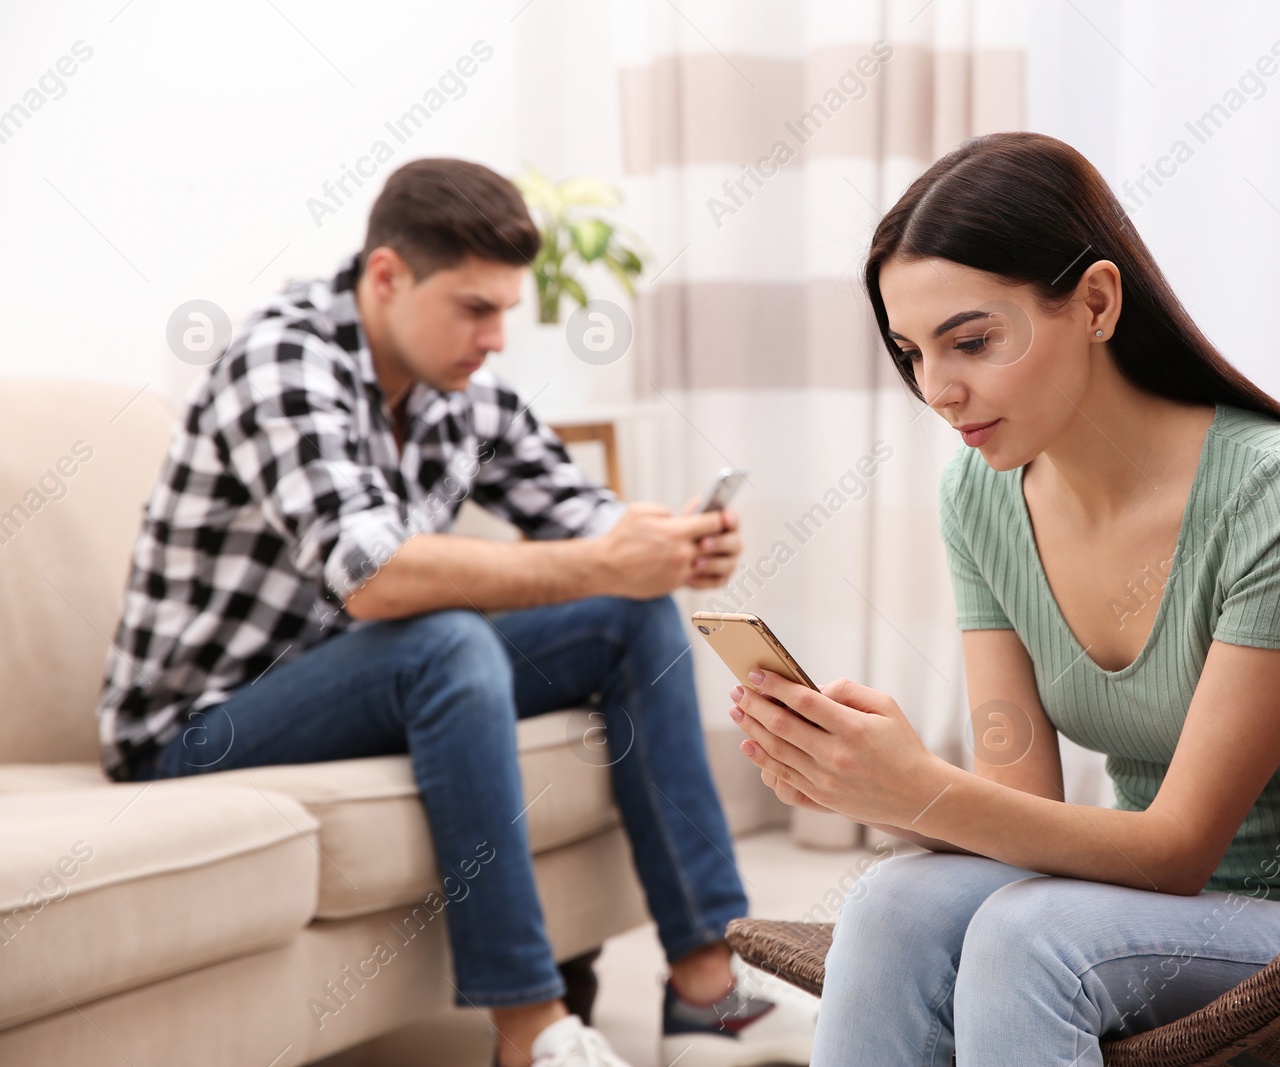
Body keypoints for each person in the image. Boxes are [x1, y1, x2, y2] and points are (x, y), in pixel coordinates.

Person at [726, 131, 1280, 1066]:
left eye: (972, 340)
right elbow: (1019, 810)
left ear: (1095, 302)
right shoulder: (979, 494)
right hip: (1145, 902)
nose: (938, 389)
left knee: (1031, 935)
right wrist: (873, 785)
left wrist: (918, 787)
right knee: (893, 898)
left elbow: (1179, 848)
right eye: (912, 352)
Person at [97, 157, 816, 1067]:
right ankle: (531, 1030)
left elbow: (584, 517)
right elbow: (376, 579)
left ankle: (709, 995)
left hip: (361, 678)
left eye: (507, 309)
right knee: (443, 639)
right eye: (477, 308)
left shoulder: (455, 387)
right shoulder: (281, 360)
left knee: (627, 617)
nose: (498, 336)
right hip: (198, 728)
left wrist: (667, 545)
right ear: (388, 275)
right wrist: (603, 559)